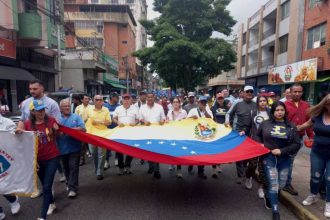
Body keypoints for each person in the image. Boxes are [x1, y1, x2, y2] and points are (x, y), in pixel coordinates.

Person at [255, 101, 300, 220]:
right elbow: (257, 135)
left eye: (282, 110)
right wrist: (260, 145)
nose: (279, 112)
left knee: (281, 184)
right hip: (268, 158)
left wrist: (282, 151)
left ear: (285, 111)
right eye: (277, 110)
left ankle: (269, 196)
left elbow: (297, 144)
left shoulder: (291, 126)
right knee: (273, 184)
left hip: (285, 159)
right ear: (273, 111)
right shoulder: (265, 124)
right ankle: (275, 211)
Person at [16, 100, 61, 219]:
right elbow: (23, 141)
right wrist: (18, 132)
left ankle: (42, 217)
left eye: (43, 109)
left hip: (52, 157)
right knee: (44, 185)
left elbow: (58, 137)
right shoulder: (27, 124)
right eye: (38, 110)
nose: (41, 112)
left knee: (47, 187)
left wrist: (57, 130)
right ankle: (51, 203)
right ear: (32, 111)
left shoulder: (51, 120)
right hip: (37, 160)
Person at [17, 79, 61, 199]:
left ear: (42, 88)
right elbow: (22, 119)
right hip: (31, 146)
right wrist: (19, 129)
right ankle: (43, 189)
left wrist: (52, 129)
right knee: (38, 170)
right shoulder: (26, 103)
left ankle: (49, 193)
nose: (32, 91)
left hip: (48, 143)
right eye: (30, 89)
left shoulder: (52, 104)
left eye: (35, 89)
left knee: (48, 172)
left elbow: (58, 123)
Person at [297, 94, 330, 218]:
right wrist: (292, 129)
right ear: (325, 105)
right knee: (315, 176)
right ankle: (313, 195)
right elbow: (305, 125)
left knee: (329, 179)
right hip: (318, 152)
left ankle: (328, 202)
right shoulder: (317, 116)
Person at [284, 84, 314, 195]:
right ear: (290, 92)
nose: (297, 94)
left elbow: (309, 122)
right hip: (286, 138)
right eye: (295, 91)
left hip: (299, 138)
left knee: (290, 161)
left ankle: (286, 183)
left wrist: (311, 136)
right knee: (287, 161)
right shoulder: (284, 105)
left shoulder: (306, 105)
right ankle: (285, 183)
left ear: (302, 92)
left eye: (299, 91)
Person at [226, 85, 257, 184]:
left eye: (251, 92)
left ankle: (245, 170)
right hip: (238, 132)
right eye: (247, 92)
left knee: (248, 154)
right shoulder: (237, 103)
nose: (249, 94)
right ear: (243, 93)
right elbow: (228, 113)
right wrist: (227, 122)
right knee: (239, 153)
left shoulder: (255, 104)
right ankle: (240, 175)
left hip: (251, 132)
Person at [57, 99, 86, 198]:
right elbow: (53, 132)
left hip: (75, 147)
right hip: (61, 148)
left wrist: (69, 131)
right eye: (65, 106)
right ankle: (69, 183)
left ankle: (73, 188)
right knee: (66, 168)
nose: (67, 107)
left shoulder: (76, 117)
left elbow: (83, 128)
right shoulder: (57, 119)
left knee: (73, 167)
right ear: (60, 108)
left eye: (68, 105)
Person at [246, 96, 270, 198]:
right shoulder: (253, 112)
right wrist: (243, 132)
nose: (262, 103)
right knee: (252, 164)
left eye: (264, 101)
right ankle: (248, 177)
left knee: (263, 167)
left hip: (267, 143)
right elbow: (248, 125)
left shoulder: (270, 113)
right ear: (257, 103)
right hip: (254, 142)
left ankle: (261, 187)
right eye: (260, 101)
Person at [139, 91, 166, 179]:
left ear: (154, 98)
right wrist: (144, 121)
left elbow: (163, 118)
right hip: (146, 133)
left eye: (152, 97)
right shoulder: (142, 108)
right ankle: (151, 166)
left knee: (156, 151)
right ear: (146, 98)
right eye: (148, 97)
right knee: (148, 150)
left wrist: (162, 121)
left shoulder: (159, 107)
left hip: (157, 133)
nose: (150, 98)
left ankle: (157, 170)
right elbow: (140, 118)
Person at [187, 96, 214, 179]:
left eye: (204, 103)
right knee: (193, 152)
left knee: (202, 153)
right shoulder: (193, 110)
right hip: (194, 134)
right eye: (201, 102)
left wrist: (205, 111)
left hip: (203, 135)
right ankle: (191, 163)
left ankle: (201, 171)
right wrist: (192, 118)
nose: (202, 104)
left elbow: (211, 119)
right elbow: (186, 120)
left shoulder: (208, 110)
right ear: (198, 103)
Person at [112, 94, 139, 175]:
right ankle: (121, 167)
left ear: (131, 100)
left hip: (131, 133)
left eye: (128, 99)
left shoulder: (135, 109)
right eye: (125, 99)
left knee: (131, 150)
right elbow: (113, 118)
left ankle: (127, 165)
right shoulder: (118, 108)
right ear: (122, 100)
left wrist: (135, 122)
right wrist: (117, 122)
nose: (126, 100)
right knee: (119, 150)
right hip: (120, 133)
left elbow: (138, 119)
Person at [0, 114, 21, 219]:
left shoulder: (7, 123)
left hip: (5, 158)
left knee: (4, 184)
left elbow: (17, 139)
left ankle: (13, 200)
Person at [86, 95, 111, 180]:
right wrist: (101, 122)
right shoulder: (89, 109)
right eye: (97, 99)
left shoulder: (106, 110)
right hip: (91, 134)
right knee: (93, 153)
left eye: (100, 100)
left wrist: (97, 121)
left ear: (103, 101)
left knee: (102, 154)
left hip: (103, 134)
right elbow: (87, 120)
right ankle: (97, 168)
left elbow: (109, 122)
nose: (99, 101)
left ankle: (99, 172)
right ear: (93, 100)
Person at [166, 97, 187, 178]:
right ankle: (171, 163)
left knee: (178, 152)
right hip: (171, 134)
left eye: (177, 102)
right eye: (174, 102)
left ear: (179, 103)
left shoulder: (184, 112)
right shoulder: (169, 112)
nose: (175, 103)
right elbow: (167, 121)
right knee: (171, 150)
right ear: (172, 103)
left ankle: (179, 169)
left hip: (180, 135)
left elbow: (187, 123)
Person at [103, 92, 121, 169]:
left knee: (117, 145)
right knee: (107, 146)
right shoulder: (105, 106)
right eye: (117, 97)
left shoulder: (119, 106)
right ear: (112, 97)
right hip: (107, 129)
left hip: (116, 129)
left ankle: (117, 159)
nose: (118, 99)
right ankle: (106, 161)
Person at [75, 95, 93, 165]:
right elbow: (76, 118)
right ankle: (82, 159)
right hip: (82, 129)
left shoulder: (92, 107)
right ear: (82, 100)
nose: (87, 100)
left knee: (92, 144)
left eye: (88, 99)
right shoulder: (78, 108)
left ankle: (94, 157)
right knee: (82, 145)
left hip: (91, 129)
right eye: (85, 99)